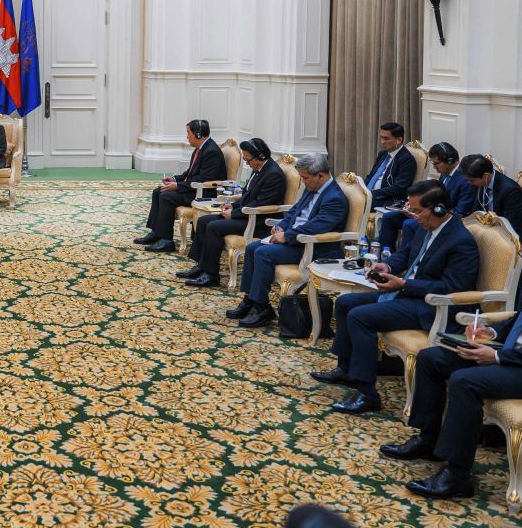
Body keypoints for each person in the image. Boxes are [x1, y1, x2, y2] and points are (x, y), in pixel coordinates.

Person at [312, 180, 479, 414]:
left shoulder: (460, 241)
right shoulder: (425, 227)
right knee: (344, 303)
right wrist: (387, 266)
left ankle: (367, 393)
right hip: (407, 294)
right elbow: (405, 255)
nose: (413, 216)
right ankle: (347, 368)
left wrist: (405, 285)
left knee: (361, 317)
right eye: (411, 209)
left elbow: (451, 287)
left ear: (440, 208)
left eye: (417, 210)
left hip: (430, 306)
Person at [381, 310, 522, 500]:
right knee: (430, 358)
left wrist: (497, 356)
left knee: (464, 382)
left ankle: (458, 475)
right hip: (508, 354)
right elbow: (517, 320)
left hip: (515, 364)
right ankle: (428, 439)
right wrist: (490, 332)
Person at [229, 153, 348, 329]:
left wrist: (287, 236)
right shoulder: (312, 187)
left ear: (320, 175)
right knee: (252, 247)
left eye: (305, 178)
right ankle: (249, 299)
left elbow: (315, 227)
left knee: (263, 253)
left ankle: (261, 307)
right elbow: (295, 211)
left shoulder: (335, 198)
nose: (303, 181)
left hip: (313, 247)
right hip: (295, 238)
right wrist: (281, 227)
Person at [177, 138, 286, 288]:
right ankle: (201, 266)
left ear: (260, 156)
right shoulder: (259, 169)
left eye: (248, 160)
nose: (247, 164)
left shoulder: (273, 175)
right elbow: (247, 196)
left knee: (214, 227)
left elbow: (260, 205)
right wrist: (232, 207)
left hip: (258, 221)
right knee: (204, 221)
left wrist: (234, 214)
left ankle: (211, 275)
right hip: (246, 214)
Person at [135, 119, 227, 252]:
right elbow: (190, 173)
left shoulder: (211, 152)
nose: (187, 136)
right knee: (158, 191)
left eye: (188, 133)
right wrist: (174, 179)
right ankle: (156, 232)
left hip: (203, 193)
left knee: (166, 196)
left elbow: (202, 180)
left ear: (198, 134)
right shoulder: (201, 148)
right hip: (193, 188)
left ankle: (166, 241)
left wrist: (177, 186)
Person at [377, 142, 474, 250]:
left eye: (437, 163)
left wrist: (423, 214)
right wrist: (415, 207)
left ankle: (409, 261)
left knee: (409, 224)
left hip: (441, 219)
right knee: (389, 217)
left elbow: (460, 212)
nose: (434, 167)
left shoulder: (466, 181)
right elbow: (434, 198)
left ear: (450, 162)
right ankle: (384, 255)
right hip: (429, 212)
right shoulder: (445, 173)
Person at [460, 153, 522, 234]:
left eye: (472, 180)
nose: (469, 183)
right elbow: (476, 213)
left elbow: (511, 226)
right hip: (484, 230)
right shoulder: (482, 181)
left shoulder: (510, 191)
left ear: (486, 176)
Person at [364, 122, 417, 210]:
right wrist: (363, 190)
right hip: (370, 194)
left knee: (355, 204)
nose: (382, 142)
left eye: (386, 139)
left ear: (399, 140)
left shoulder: (407, 160)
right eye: (381, 138)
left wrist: (372, 194)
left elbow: (398, 188)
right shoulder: (383, 154)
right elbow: (371, 176)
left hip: (387, 200)